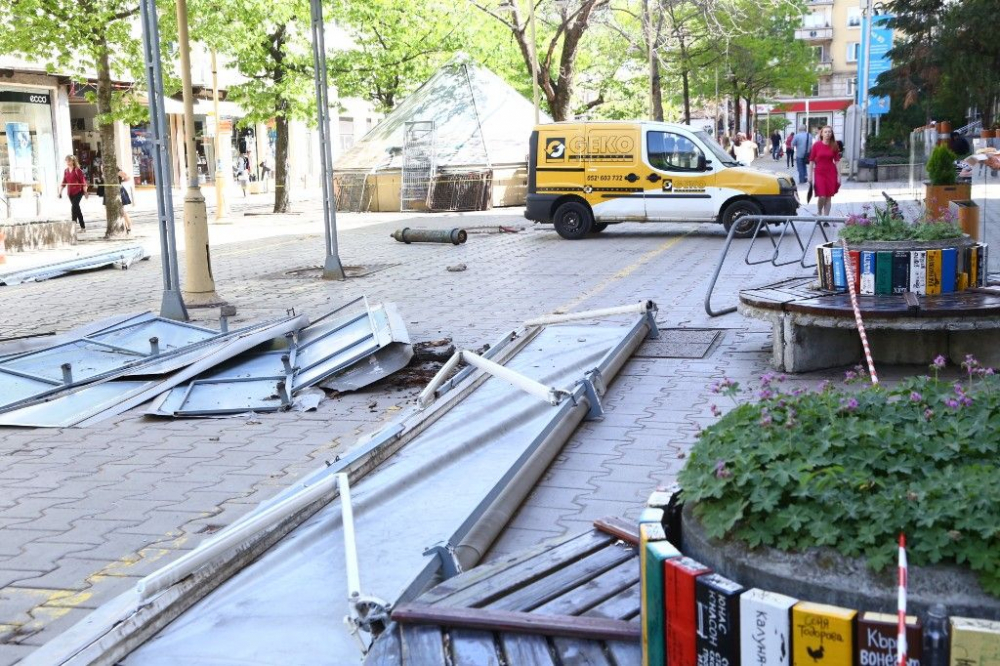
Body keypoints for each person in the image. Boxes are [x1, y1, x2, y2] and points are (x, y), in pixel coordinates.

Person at [808, 125, 841, 216]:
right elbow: (811, 161)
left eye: (829, 132)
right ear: (821, 134)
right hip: (819, 172)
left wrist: (839, 176)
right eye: (825, 132)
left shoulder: (834, 145)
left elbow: (837, 161)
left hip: (831, 172)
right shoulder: (816, 145)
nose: (827, 134)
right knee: (822, 196)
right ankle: (819, 212)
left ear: (831, 134)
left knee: (828, 197)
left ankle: (826, 218)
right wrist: (810, 175)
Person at [58, 155, 88, 231]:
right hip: (70, 193)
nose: (68, 162)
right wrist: (60, 192)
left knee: (74, 207)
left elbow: (83, 181)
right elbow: (64, 182)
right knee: (77, 209)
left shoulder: (77, 170)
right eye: (67, 161)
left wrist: (85, 192)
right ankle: (83, 227)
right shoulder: (66, 171)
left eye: (69, 160)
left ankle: (73, 227)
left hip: (78, 192)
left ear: (73, 161)